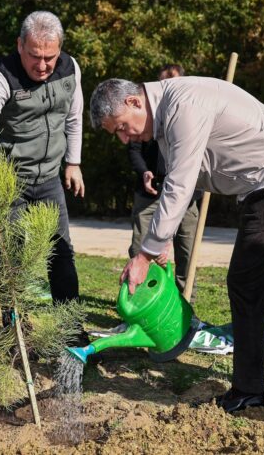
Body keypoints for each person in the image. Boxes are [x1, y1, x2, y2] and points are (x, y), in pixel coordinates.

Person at [89, 76, 264, 412]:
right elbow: (186, 176)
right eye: (118, 133)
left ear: (134, 102)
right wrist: (164, 239)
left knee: (246, 282)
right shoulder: (166, 114)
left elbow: (180, 185)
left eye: (122, 127)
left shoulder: (183, 106)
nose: (125, 137)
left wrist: (145, 254)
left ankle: (248, 389)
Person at [0, 11, 84, 305]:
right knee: (11, 255)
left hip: (50, 178)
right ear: (20, 45)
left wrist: (73, 162)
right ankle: (15, 325)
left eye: (50, 57)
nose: (42, 65)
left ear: (60, 49)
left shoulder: (70, 69)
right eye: (34, 56)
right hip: (9, 181)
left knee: (61, 251)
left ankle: (71, 326)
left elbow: (74, 117)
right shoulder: (2, 76)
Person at [90, 64, 200, 339]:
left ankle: (183, 311)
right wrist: (144, 172)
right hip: (149, 191)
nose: (124, 136)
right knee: (141, 249)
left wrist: (163, 238)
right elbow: (134, 150)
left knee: (186, 251)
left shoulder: (186, 115)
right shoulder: (139, 122)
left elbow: (182, 179)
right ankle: (139, 308)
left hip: (185, 192)